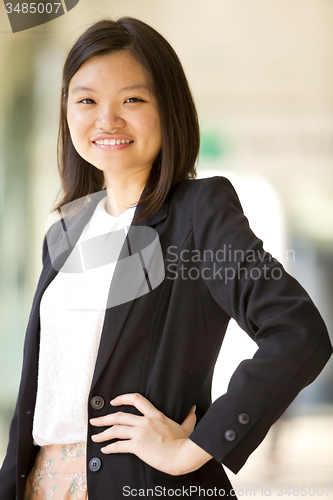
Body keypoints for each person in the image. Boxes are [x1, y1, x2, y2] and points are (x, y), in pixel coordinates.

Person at [0, 16, 332, 500]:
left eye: (132, 100)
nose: (107, 120)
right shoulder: (65, 234)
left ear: (169, 108)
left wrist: (196, 447)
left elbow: (296, 330)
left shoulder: (198, 213)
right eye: (87, 100)